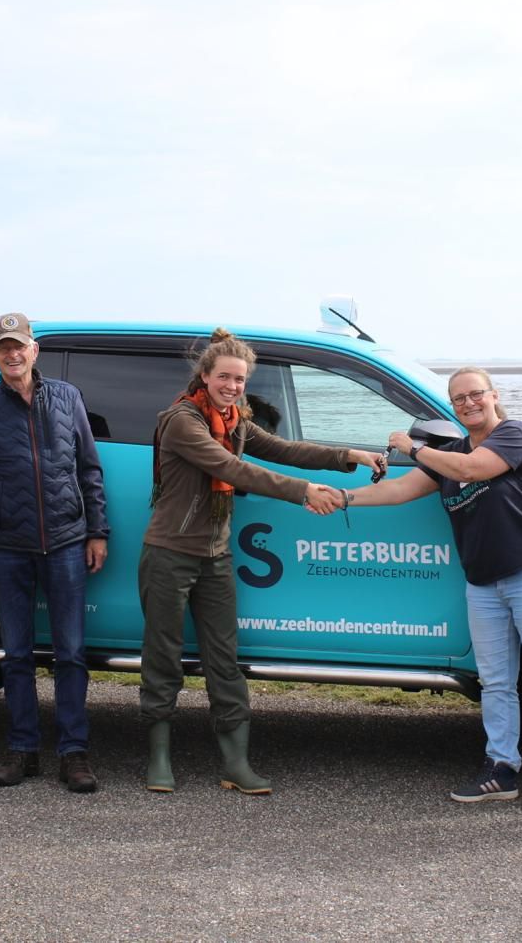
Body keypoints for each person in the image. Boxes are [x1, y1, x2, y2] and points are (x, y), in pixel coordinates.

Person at [140, 329, 384, 795]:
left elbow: (286, 449)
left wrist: (348, 455)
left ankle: (236, 763)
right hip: (169, 554)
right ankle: (158, 758)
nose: (232, 386)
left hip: (214, 556)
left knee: (224, 662)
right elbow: (232, 469)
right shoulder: (181, 421)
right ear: (205, 376)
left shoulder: (236, 422)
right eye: (224, 378)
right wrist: (302, 492)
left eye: (240, 380)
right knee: (163, 658)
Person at [344, 367, 522, 810]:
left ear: (493, 396)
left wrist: (413, 446)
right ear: (452, 408)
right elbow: (398, 491)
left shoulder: (514, 434)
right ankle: (501, 769)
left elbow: (474, 469)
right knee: (495, 681)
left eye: (476, 394)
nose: (468, 403)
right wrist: (340, 497)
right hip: (484, 583)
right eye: (459, 399)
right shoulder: (447, 453)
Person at [0, 311, 109, 794]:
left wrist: (97, 531)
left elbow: (89, 469)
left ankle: (74, 752)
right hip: (8, 549)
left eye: (19, 345)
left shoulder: (68, 398)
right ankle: (22, 749)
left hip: (67, 542)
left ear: (34, 350)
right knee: (17, 655)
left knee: (71, 654)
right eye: (3, 347)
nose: (13, 353)